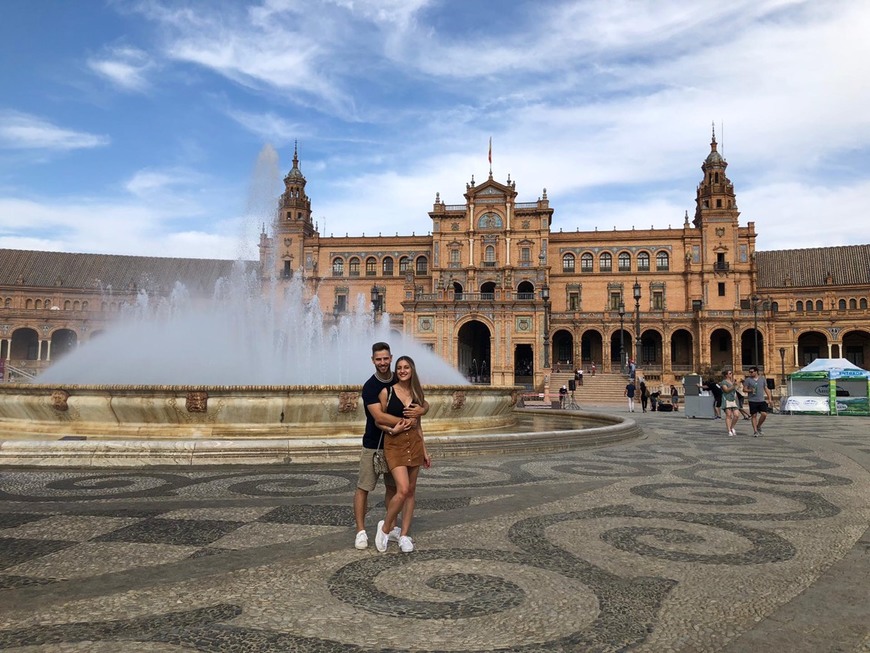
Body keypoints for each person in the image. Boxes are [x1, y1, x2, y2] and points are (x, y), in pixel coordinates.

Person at [353, 342, 427, 550]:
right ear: (373, 360)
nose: (383, 362)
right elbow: (379, 416)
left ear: (391, 358)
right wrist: (406, 423)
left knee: (394, 488)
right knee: (364, 487)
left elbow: (419, 398)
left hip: (397, 444)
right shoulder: (370, 386)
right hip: (374, 444)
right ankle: (360, 531)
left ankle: (391, 526)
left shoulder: (398, 377)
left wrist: (422, 411)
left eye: (386, 359)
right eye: (379, 359)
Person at [374, 355, 432, 554]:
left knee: (411, 491)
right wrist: (392, 430)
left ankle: (405, 535)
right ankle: (385, 528)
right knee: (403, 489)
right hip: (395, 445)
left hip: (414, 444)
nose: (402, 371)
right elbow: (377, 421)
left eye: (406, 367)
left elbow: (420, 426)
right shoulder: (387, 391)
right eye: (399, 367)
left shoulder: (417, 395)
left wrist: (424, 450)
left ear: (412, 370)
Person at [744, 366, 773, 436]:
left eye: (751, 372)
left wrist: (770, 399)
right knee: (754, 415)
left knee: (764, 414)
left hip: (761, 400)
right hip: (752, 400)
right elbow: (744, 389)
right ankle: (755, 431)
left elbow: (766, 389)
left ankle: (758, 426)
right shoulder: (748, 380)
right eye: (749, 372)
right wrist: (750, 390)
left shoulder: (762, 379)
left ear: (756, 372)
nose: (750, 373)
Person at [720, 369, 740, 436]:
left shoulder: (732, 382)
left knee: (736, 415)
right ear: (726, 375)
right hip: (726, 399)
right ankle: (729, 430)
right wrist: (733, 386)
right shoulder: (723, 382)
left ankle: (732, 427)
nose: (731, 374)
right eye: (730, 373)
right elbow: (726, 390)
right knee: (728, 415)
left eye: (731, 373)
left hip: (733, 400)